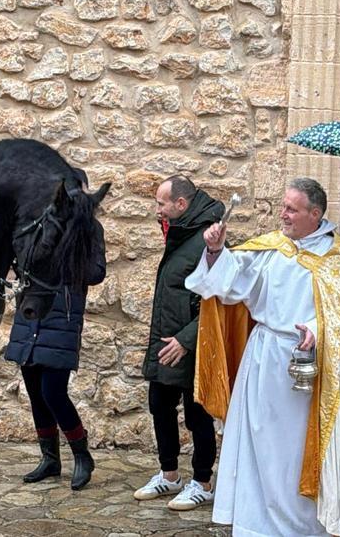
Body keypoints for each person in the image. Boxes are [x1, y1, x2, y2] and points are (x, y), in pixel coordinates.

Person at [186, 178, 340, 536]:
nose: (283, 215)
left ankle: (302, 528)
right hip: (264, 359)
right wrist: (215, 251)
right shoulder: (272, 248)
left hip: (308, 370)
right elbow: (228, 283)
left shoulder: (337, 258)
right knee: (260, 444)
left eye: (291, 209)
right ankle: (257, 526)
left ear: (315, 214)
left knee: (295, 450)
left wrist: (317, 332)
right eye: (283, 206)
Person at [135, 176, 223, 510]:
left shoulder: (209, 239)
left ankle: (203, 482)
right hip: (166, 338)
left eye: (161, 203)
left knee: (197, 414)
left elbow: (218, 301)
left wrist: (186, 340)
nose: (157, 209)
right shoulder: (180, 232)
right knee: (160, 405)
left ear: (181, 204)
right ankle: (169, 475)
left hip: (192, 344)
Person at [4, 214, 106, 491]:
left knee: (53, 392)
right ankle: (50, 459)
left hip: (62, 318)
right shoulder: (35, 222)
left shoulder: (88, 227)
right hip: (30, 313)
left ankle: (82, 455)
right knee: (35, 393)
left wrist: (65, 256)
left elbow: (96, 272)